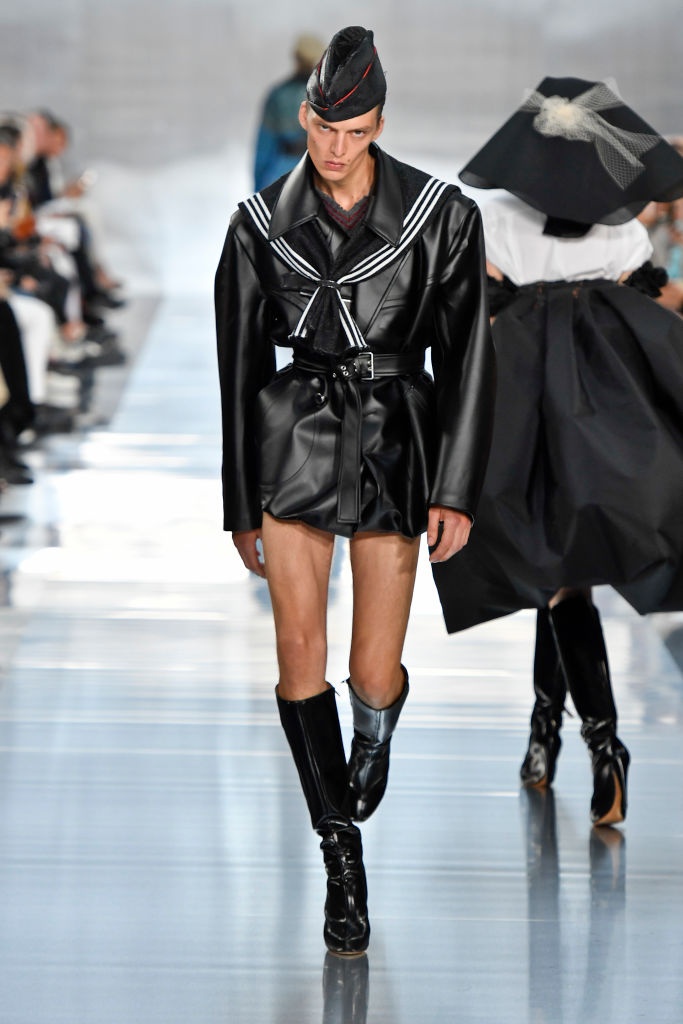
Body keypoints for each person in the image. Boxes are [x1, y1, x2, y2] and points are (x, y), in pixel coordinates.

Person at [215, 26, 495, 956]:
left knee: (372, 671)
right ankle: (341, 859)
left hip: (394, 434)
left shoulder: (440, 217)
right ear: (304, 116)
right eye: (324, 127)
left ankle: (373, 730)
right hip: (294, 434)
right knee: (299, 653)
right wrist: (239, 506)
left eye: (356, 131)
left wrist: (456, 489)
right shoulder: (257, 226)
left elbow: (468, 362)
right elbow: (238, 371)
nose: (336, 148)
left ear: (379, 125)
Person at [432, 77, 683, 828]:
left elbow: (475, 312)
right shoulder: (622, 230)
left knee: (554, 577)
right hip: (608, 419)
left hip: (525, 418)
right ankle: (544, 735)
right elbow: (649, 299)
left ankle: (603, 745)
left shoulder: (496, 221)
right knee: (563, 574)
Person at [252, 32, 325, 191]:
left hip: (281, 177)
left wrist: (259, 189)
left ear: (296, 58)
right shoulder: (331, 96)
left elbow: (264, 146)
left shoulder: (278, 95)